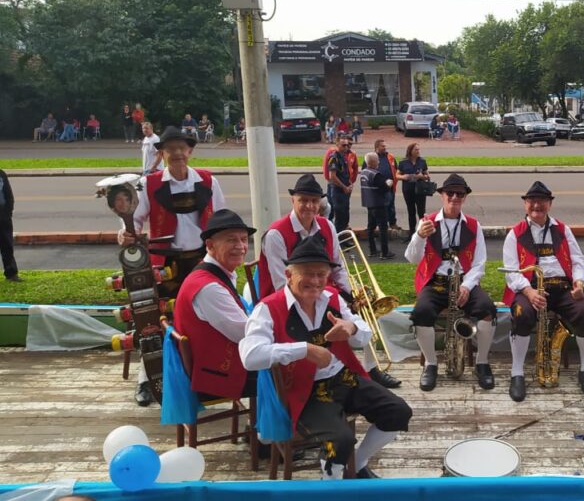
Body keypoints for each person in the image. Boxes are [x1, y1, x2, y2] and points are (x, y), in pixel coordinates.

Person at [240, 237, 413, 480]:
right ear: (289, 275)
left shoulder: (332, 297)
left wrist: (352, 328)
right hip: (303, 390)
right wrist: (304, 350)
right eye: (307, 273)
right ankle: (331, 484)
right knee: (340, 440)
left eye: (321, 274)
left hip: (342, 378)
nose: (315, 280)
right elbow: (250, 356)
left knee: (399, 411)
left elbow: (365, 333)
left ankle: (357, 463)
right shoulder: (268, 308)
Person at [257, 174, 400, 388]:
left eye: (314, 201)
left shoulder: (327, 226)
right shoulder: (275, 234)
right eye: (303, 200)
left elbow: (338, 267)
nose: (309, 206)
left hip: (323, 289)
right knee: (338, 314)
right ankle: (333, 370)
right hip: (288, 298)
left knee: (367, 309)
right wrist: (324, 301)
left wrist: (353, 294)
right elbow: (281, 283)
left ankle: (371, 368)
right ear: (293, 200)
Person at [118, 125, 226, 406]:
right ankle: (147, 379)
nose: (177, 153)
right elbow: (133, 219)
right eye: (171, 149)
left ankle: (201, 377)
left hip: (202, 261)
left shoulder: (208, 181)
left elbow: (221, 220)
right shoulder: (149, 184)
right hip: (163, 262)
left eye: (182, 148)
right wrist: (126, 233)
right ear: (162, 154)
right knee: (153, 321)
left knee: (203, 319)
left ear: (189, 151)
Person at [502, 181, 584, 402]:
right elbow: (511, 271)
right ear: (525, 204)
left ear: (550, 204)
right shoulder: (515, 234)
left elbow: (578, 260)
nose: (537, 205)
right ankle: (517, 373)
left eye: (542, 201)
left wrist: (579, 283)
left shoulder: (563, 230)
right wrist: (529, 292)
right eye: (532, 201)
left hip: (562, 288)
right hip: (530, 288)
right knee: (521, 314)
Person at [405, 174, 497, 392]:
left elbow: (480, 263)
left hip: (464, 282)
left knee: (487, 310)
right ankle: (431, 364)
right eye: (450, 193)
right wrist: (419, 236)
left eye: (460, 194)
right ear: (442, 195)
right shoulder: (427, 222)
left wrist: (467, 286)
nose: (454, 197)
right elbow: (412, 258)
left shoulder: (473, 225)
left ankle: (482, 363)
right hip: (436, 282)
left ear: (465, 197)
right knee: (421, 312)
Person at [173, 209, 259, 401]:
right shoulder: (209, 287)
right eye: (231, 240)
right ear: (210, 245)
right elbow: (246, 334)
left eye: (244, 239)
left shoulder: (212, 273)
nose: (241, 246)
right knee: (291, 369)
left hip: (214, 367)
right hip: (217, 377)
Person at [359, 154, 395, 261]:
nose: (379, 162)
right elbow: (384, 188)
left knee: (371, 227)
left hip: (369, 204)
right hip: (379, 204)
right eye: (377, 160)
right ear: (373, 162)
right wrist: (389, 184)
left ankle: (372, 250)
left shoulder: (363, 172)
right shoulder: (376, 174)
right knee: (383, 228)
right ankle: (384, 252)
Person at [397, 143, 430, 240]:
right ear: (410, 151)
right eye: (416, 149)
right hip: (408, 190)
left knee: (421, 212)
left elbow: (427, 176)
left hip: (420, 190)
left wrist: (422, 176)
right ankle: (412, 233)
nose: (418, 151)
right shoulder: (403, 162)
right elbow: (397, 175)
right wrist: (404, 177)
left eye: (419, 149)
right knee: (411, 211)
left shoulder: (422, 161)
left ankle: (422, 233)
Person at [326, 135, 358, 232]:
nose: (346, 147)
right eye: (343, 145)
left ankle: (343, 234)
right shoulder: (334, 158)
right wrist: (344, 187)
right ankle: (337, 238)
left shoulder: (344, 157)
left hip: (345, 190)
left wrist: (350, 184)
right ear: (337, 144)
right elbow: (332, 177)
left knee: (345, 214)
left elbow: (348, 173)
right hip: (338, 191)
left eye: (347, 145)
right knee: (339, 217)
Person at [372, 139, 401, 231]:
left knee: (391, 206)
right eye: (383, 146)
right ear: (377, 147)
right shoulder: (372, 157)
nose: (385, 148)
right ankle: (377, 225)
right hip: (377, 188)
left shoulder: (390, 157)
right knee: (378, 208)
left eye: (385, 146)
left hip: (390, 187)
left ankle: (392, 223)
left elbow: (396, 169)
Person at [0, 169, 19, 282]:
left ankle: (11, 273)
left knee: (7, 245)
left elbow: (8, 194)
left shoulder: (1, 174)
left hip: (3, 216)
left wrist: (8, 212)